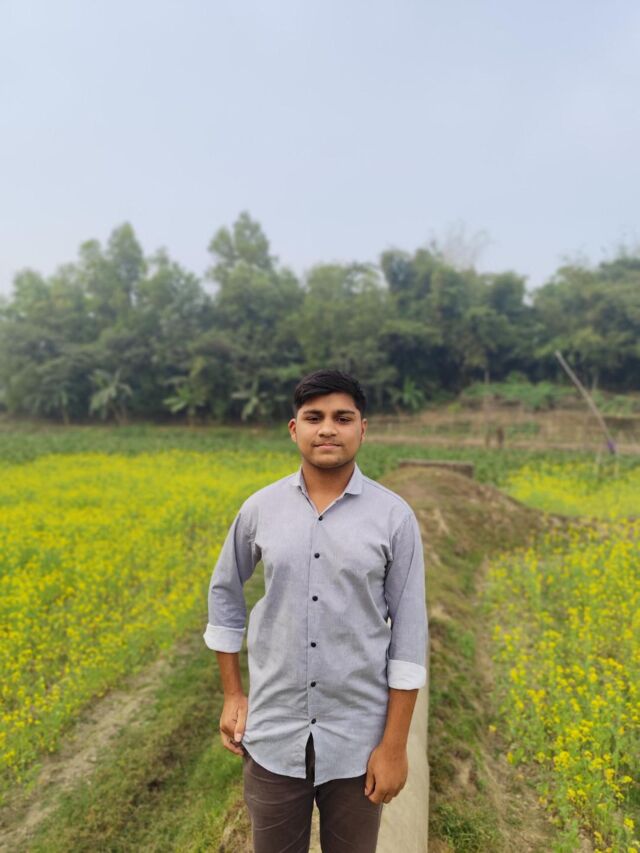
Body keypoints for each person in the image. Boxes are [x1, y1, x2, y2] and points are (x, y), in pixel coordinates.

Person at [203, 368, 428, 853]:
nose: (328, 429)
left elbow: (409, 638)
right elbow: (224, 591)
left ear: (362, 429)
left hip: (358, 741)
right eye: (314, 417)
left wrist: (394, 747)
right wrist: (233, 694)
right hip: (274, 732)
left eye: (342, 418)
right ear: (294, 429)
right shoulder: (260, 509)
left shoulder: (394, 518)